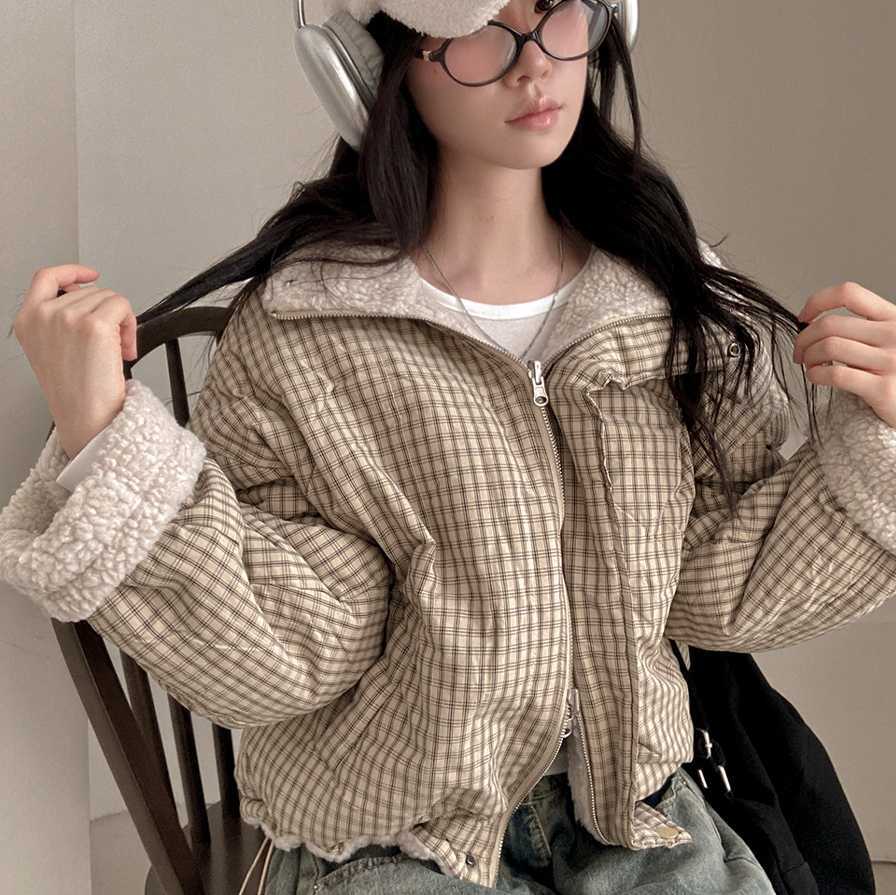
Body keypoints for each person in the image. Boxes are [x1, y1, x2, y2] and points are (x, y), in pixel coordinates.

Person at [4, 1, 896, 893]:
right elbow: (287, 646)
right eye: (478, 26)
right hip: (393, 831)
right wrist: (103, 445)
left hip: (631, 810)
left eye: (556, 8)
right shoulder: (304, 332)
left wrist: (884, 442)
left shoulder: (664, 302)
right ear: (371, 65)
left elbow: (718, 579)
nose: (533, 62)